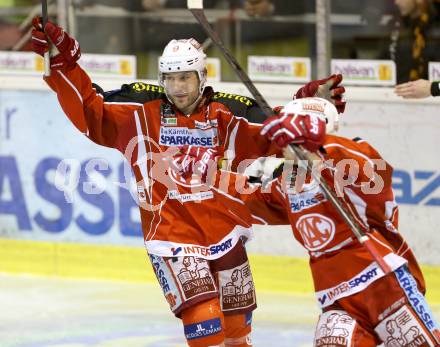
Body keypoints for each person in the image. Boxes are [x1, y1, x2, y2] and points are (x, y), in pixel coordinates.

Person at [30, 17, 346, 346]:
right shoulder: (141, 108)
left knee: (237, 332)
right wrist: (65, 62)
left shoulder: (227, 113)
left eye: (185, 78)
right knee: (205, 322)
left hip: (224, 235)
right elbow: (89, 109)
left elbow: (278, 132)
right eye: (170, 78)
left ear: (202, 77)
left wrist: (310, 107)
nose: (177, 87)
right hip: (172, 239)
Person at [178, 97, 440, 346]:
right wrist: (207, 174)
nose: (283, 146)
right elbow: (249, 197)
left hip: (382, 283)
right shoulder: (288, 183)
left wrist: (317, 146)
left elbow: (372, 169)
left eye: (294, 133)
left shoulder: (345, 165)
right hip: (335, 296)